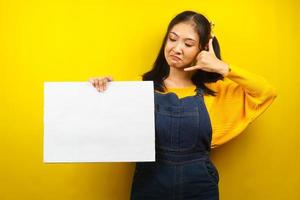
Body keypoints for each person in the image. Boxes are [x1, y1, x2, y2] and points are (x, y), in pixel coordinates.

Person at [89, 10, 277, 200]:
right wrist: (101, 91)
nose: (177, 48)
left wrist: (222, 67)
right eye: (172, 39)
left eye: (188, 44)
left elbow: (266, 92)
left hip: (200, 188)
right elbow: (108, 129)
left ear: (202, 50)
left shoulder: (217, 92)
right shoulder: (141, 87)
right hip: (150, 186)